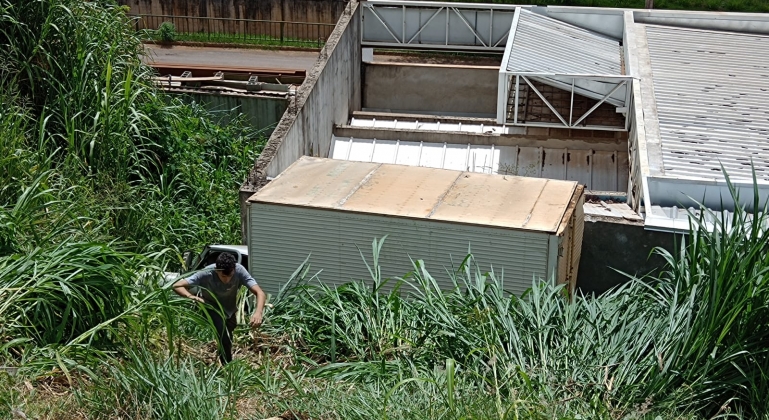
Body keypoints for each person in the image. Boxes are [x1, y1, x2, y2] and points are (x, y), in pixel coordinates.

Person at [172, 253, 266, 365]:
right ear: (217, 270)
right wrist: (194, 298)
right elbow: (177, 285)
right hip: (212, 307)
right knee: (223, 334)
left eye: (230, 276)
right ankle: (228, 367)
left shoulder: (239, 270)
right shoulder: (206, 273)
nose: (226, 280)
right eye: (223, 276)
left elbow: (260, 293)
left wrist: (258, 313)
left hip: (229, 309)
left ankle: (224, 357)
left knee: (228, 334)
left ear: (233, 269)